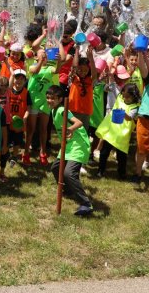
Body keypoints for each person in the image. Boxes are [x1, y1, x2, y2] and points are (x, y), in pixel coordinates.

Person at [46, 85, 94, 216]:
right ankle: (67, 190)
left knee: (68, 173)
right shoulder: (53, 110)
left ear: (60, 99)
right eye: (48, 98)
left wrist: (70, 129)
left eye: (53, 98)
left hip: (77, 144)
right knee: (55, 168)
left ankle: (85, 204)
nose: (50, 100)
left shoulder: (61, 109)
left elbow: (78, 122)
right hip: (67, 144)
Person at [95, 84, 141, 179]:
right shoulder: (120, 97)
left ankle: (121, 173)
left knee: (121, 156)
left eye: (127, 97)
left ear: (134, 96)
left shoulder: (135, 107)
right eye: (123, 95)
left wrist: (123, 113)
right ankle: (100, 170)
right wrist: (111, 75)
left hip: (122, 134)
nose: (125, 98)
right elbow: (114, 88)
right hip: (112, 131)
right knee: (104, 152)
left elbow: (129, 118)